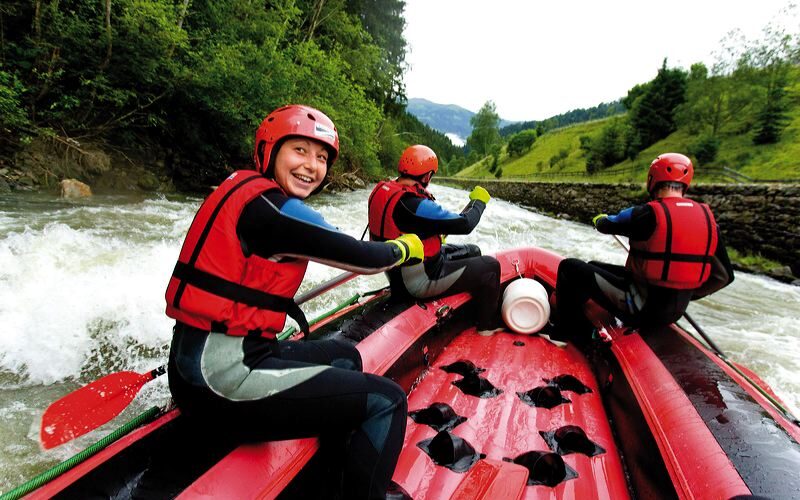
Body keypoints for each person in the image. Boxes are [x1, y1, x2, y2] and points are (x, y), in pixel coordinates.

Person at [164, 105, 424, 499]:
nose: (312, 166)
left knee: (346, 358)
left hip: (222, 355)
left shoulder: (254, 195)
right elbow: (365, 256)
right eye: (299, 150)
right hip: (219, 377)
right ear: (269, 150)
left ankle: (337, 473)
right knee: (385, 401)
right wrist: (404, 247)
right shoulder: (270, 210)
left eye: (321, 157)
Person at [554, 152, 734, 343]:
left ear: (652, 180)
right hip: (675, 312)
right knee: (593, 265)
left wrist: (599, 220)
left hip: (638, 309)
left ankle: (568, 331)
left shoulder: (645, 214)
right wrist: (686, 292)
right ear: (685, 184)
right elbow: (724, 276)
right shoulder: (708, 222)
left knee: (569, 267)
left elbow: (607, 225)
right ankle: (585, 317)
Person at [367, 144, 502, 335]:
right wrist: (478, 202)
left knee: (473, 250)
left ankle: (470, 308)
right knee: (491, 267)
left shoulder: (386, 190)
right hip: (419, 281)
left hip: (401, 272)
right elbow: (465, 224)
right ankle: (487, 326)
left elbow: (432, 225)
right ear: (427, 176)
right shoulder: (414, 204)